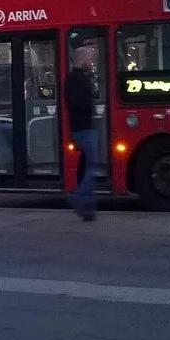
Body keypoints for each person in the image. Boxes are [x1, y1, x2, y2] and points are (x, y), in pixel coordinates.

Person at [64, 45, 101, 222]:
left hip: (79, 128)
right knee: (92, 168)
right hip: (84, 128)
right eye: (89, 58)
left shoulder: (72, 79)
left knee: (88, 166)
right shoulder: (80, 80)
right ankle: (79, 198)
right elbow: (79, 104)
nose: (91, 61)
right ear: (81, 59)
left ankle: (88, 207)